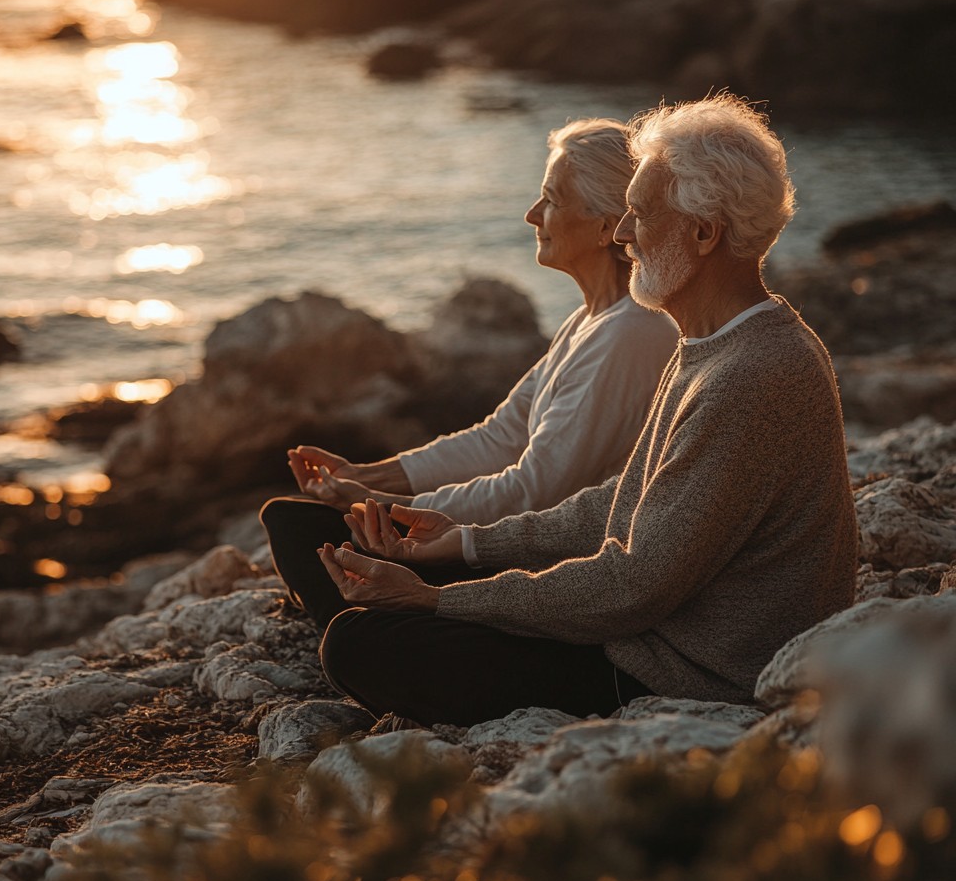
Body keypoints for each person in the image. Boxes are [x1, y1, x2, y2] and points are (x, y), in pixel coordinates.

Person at [312, 92, 859, 727]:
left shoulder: (751, 374)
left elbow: (633, 586)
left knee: (363, 645)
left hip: (695, 676)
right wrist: (465, 543)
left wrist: (439, 601)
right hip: (656, 643)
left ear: (704, 233)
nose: (623, 235)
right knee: (363, 628)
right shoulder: (711, 345)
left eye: (638, 215)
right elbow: (621, 502)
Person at [261, 119, 677, 622]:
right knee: (297, 520)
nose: (532, 214)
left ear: (607, 225)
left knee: (298, 529)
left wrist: (392, 509)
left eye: (550, 199)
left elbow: (533, 490)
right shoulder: (591, 319)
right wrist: (367, 476)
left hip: (551, 567)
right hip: (515, 540)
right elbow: (499, 436)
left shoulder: (629, 332)